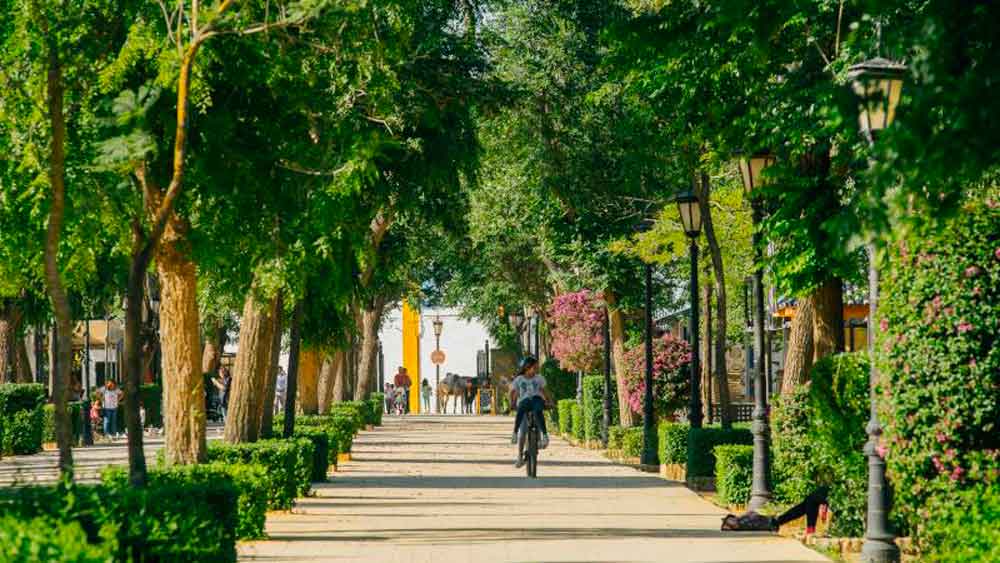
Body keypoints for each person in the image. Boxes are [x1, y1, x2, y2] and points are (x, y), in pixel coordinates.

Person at [508, 356, 550, 467]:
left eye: (536, 368)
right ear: (527, 367)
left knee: (538, 413)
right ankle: (519, 456)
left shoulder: (539, 378)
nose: (536, 370)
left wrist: (549, 401)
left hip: (536, 401)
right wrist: (512, 404)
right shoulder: (519, 379)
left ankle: (543, 438)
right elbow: (514, 393)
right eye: (534, 368)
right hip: (524, 404)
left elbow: (543, 391)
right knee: (523, 433)